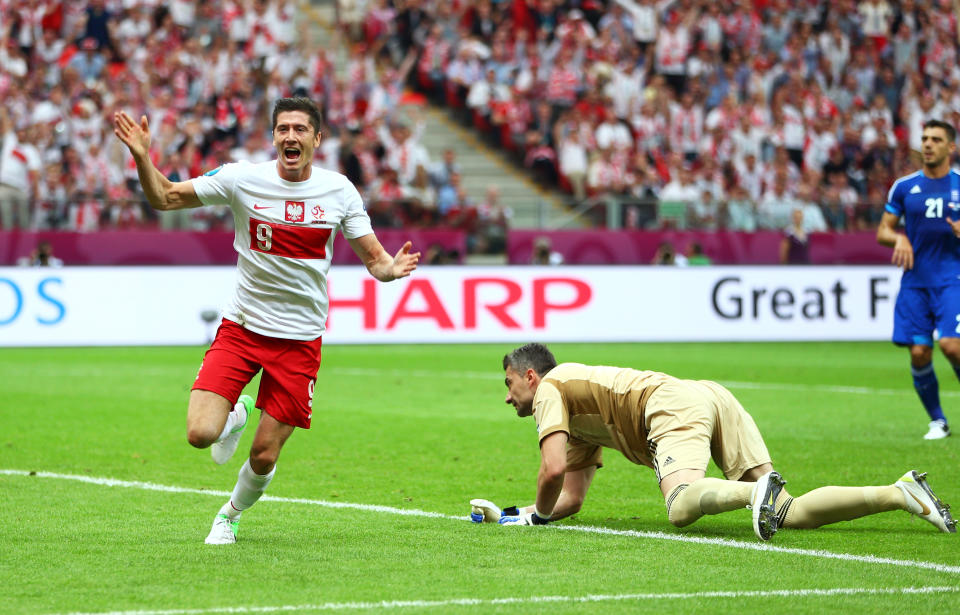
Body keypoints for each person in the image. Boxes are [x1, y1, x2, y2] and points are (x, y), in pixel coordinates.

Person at [113, 97, 421, 545]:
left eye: (300, 129)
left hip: (299, 342)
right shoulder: (242, 179)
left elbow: (375, 260)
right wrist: (143, 158)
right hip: (243, 329)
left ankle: (229, 516)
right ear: (273, 136)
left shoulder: (339, 191)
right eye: (282, 129)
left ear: (317, 139)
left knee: (263, 454)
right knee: (201, 433)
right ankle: (234, 415)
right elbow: (164, 197)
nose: (290, 137)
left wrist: (391, 270)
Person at [470, 343, 956, 540]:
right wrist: (522, 514)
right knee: (790, 512)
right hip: (706, 396)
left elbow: (550, 471)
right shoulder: (575, 413)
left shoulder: (551, 390)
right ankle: (900, 493)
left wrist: (531, 517)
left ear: (530, 377)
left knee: (681, 507)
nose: (507, 398)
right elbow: (570, 496)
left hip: (669, 405)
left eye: (508, 386)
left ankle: (751, 495)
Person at [877, 119, 960, 440]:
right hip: (915, 282)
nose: (927, 144)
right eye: (925, 138)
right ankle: (938, 421)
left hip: (953, 277)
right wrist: (898, 238)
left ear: (950, 147)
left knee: (952, 346)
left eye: (936, 139)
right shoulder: (904, 186)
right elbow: (883, 229)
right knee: (919, 352)